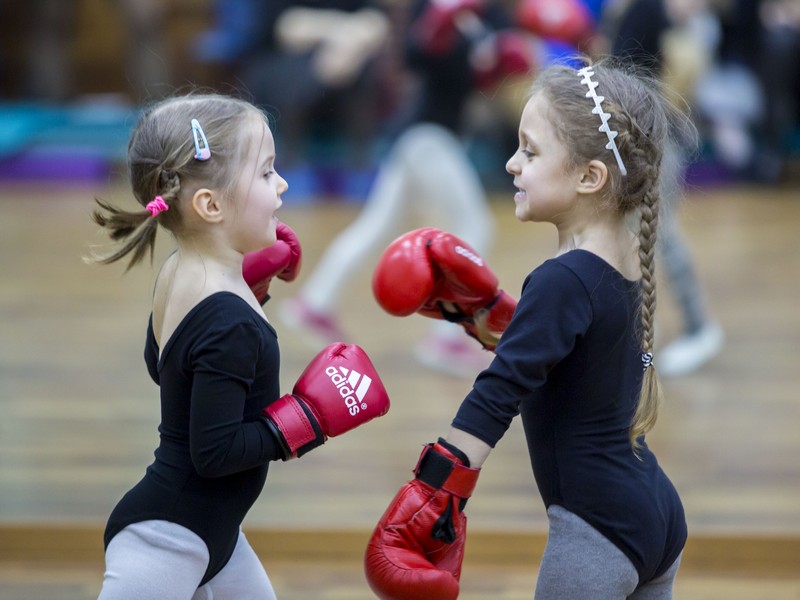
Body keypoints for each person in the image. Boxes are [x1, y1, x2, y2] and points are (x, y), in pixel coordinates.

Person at [364, 58, 691, 599]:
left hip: (597, 531)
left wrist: (432, 490)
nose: (513, 164)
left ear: (590, 177)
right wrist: (487, 318)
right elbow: (573, 359)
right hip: (655, 510)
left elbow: (499, 392)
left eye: (531, 152)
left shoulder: (562, 279)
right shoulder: (623, 263)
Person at [87, 93, 390, 599]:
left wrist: (249, 294)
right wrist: (307, 419)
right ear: (211, 205)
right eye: (268, 172)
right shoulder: (230, 319)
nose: (283, 184)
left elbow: (164, 364)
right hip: (167, 540)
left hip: (213, 536)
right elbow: (215, 451)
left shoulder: (180, 273)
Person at [278, 0, 533, 377]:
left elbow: (481, 77)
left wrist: (500, 62)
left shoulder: (484, 17)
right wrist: (438, 25)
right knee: (475, 226)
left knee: (377, 226)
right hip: (426, 136)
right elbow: (415, 57)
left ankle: (315, 303)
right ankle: (445, 339)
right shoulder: (429, 10)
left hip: (432, 138)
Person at [601, 0, 724, 377]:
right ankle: (641, 338)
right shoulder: (645, 12)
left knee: (659, 234)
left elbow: (629, 77)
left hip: (653, 140)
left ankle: (698, 327)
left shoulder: (649, 13)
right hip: (645, 137)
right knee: (640, 237)